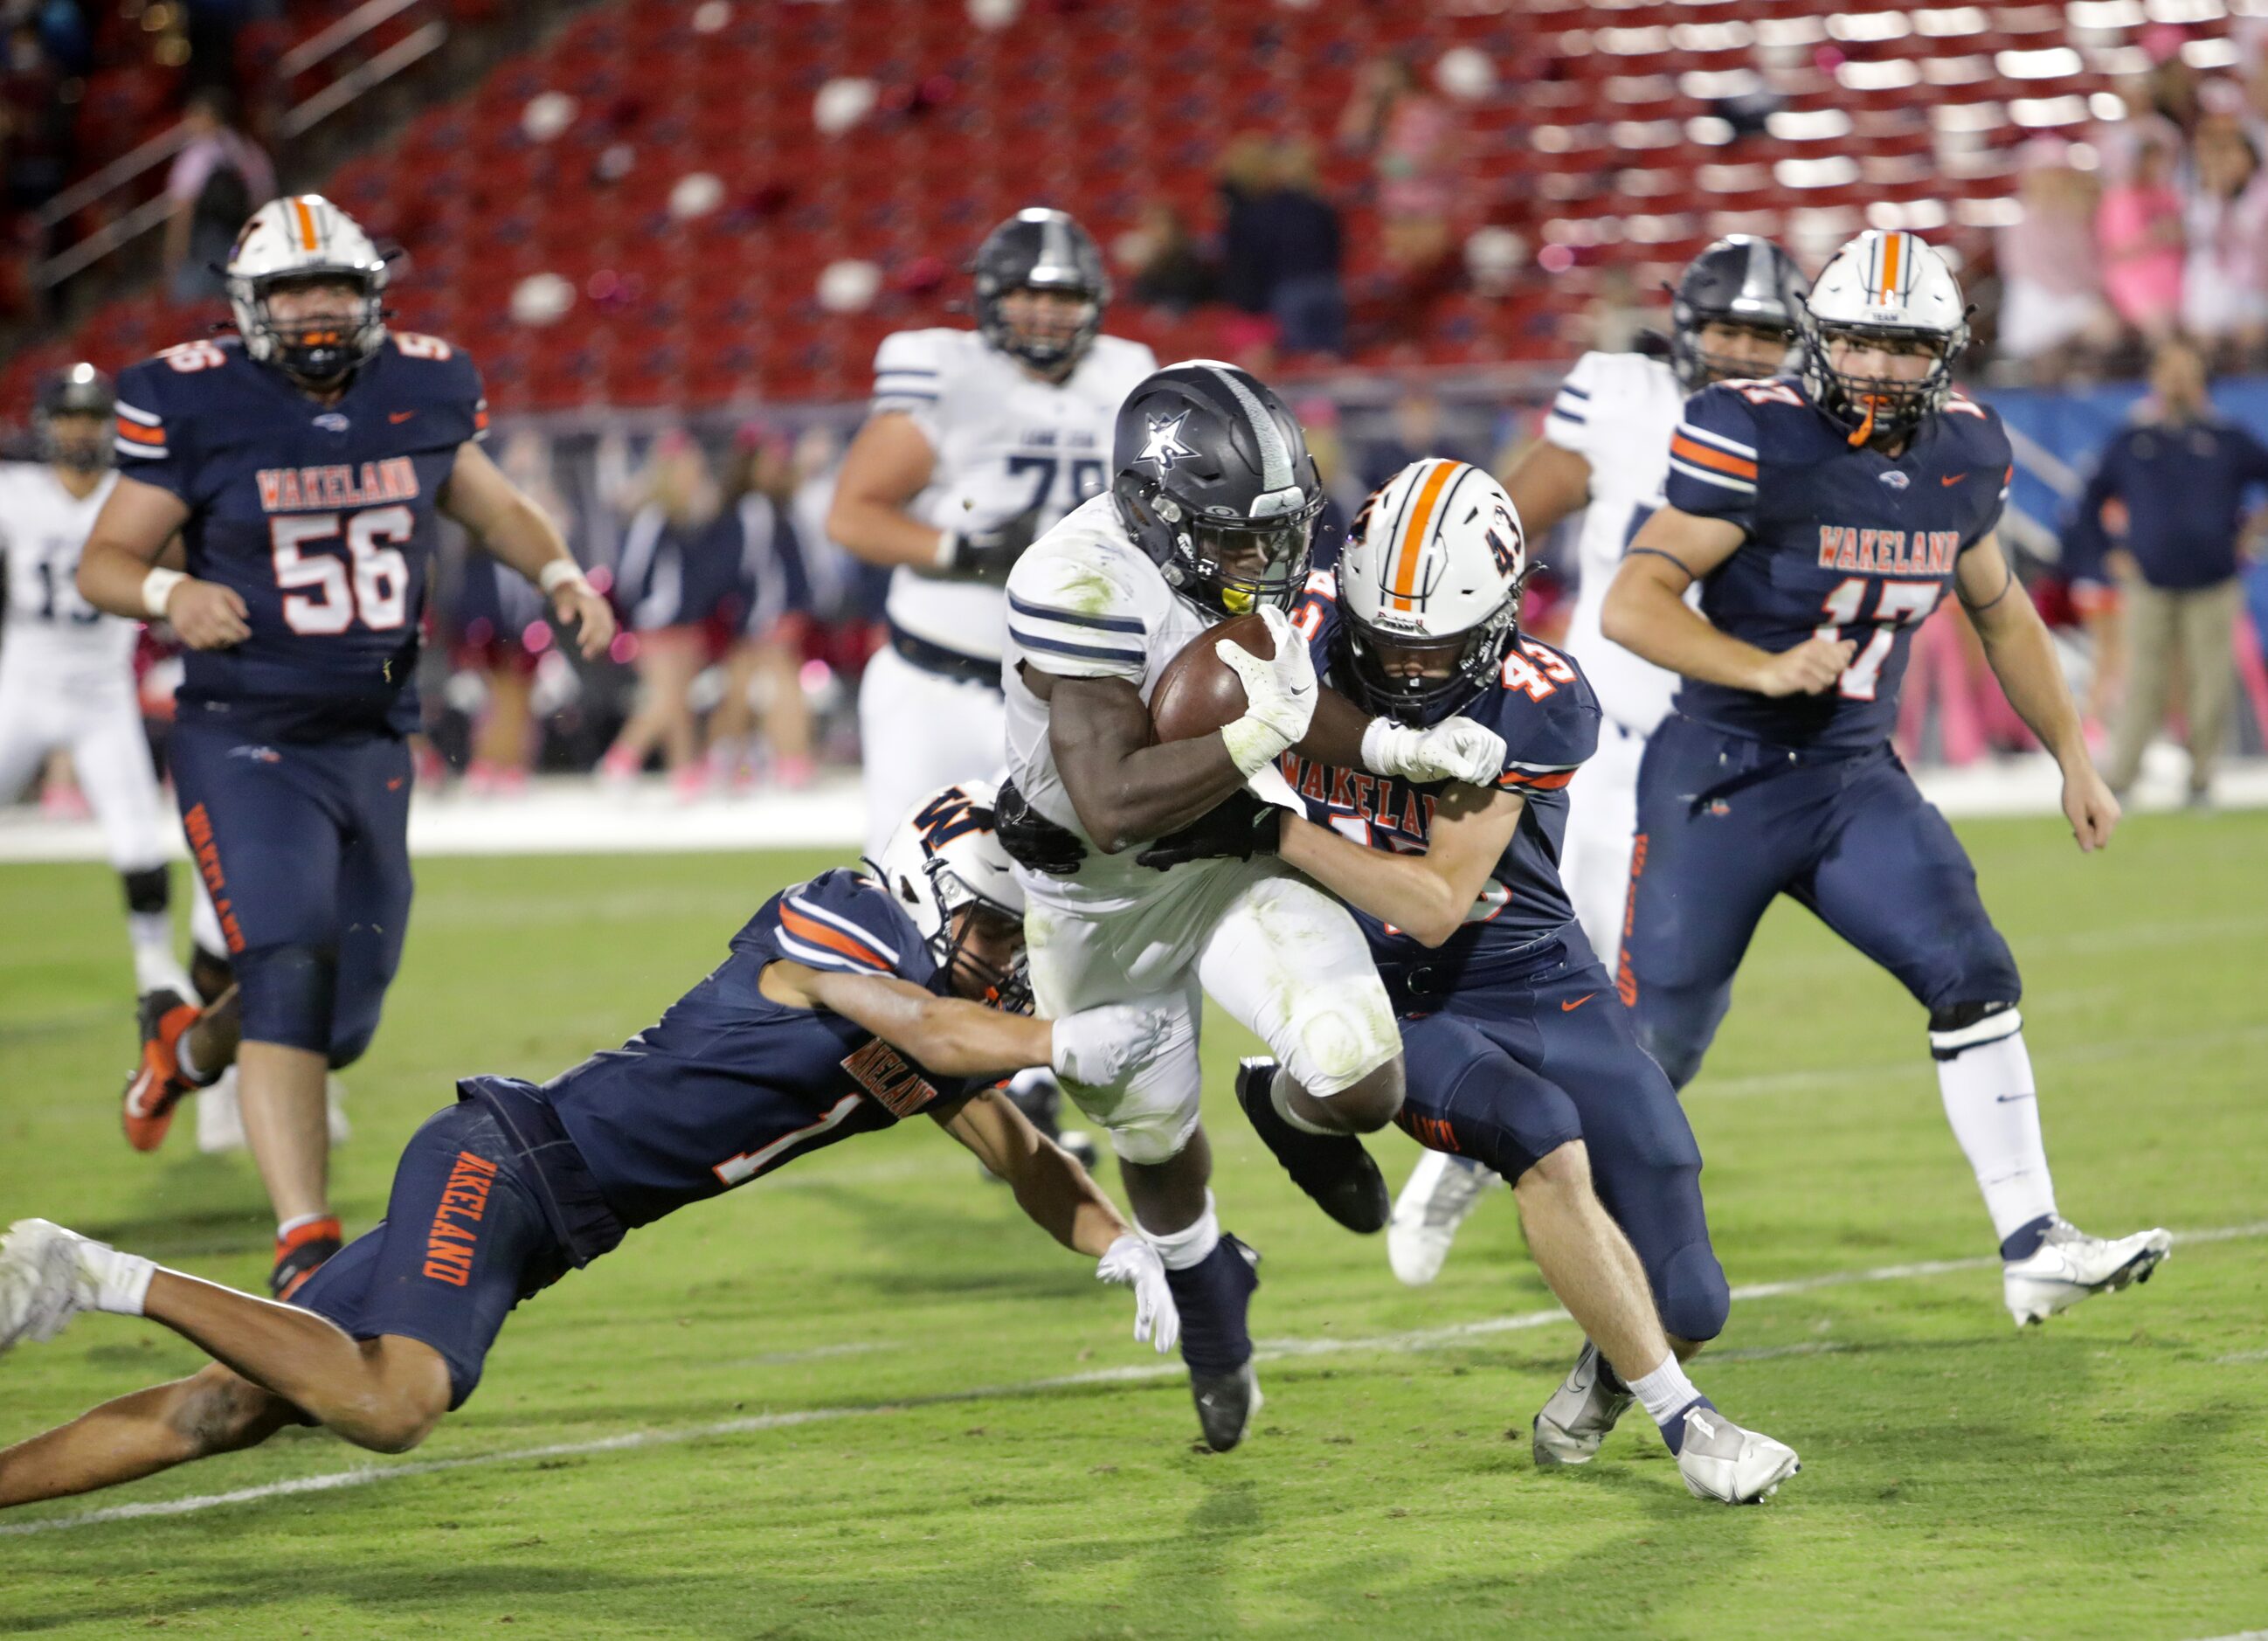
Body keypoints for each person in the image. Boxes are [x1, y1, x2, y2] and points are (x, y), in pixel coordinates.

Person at [0, 785, 1180, 1505]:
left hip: (541, 1211)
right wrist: (1064, 1032)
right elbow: (923, 1018)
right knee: (396, 1401)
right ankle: (98, 1270)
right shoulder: (845, 920)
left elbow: (1018, 1148)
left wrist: (1124, 1243)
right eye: (990, 924)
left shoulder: (928, 1020)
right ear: (928, 892)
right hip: (503, 1163)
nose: (1003, 952)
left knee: (234, 1405)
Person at [1143, 461, 1801, 1504]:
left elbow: (1439, 901)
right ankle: (1692, 1427)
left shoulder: (1540, 697)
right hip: (1383, 983)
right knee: (1535, 1129)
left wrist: (1268, 824)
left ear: (1496, 618)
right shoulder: (1296, 629)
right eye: (1385, 642)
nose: (1406, 670)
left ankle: (1614, 1368)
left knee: (1694, 1294)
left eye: (1434, 646)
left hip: (1528, 969)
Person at [1602, 229, 2170, 1326]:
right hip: (1718, 777)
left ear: (1946, 354)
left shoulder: (1965, 456)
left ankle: (2032, 1239)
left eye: (1905, 348)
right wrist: (1762, 667)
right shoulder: (1753, 436)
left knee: (1972, 966)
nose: (1878, 367)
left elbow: (2000, 614)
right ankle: (1560, 1209)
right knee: (1653, 1051)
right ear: (1819, 338)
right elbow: (1634, 604)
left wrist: (2074, 758)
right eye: (1859, 340)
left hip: (1851, 775)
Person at [77, 195, 618, 1301]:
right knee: (287, 964)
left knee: (345, 1015)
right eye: (292, 292)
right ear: (248, 305)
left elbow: (491, 503)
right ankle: (303, 1246)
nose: (316, 311)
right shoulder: (197, 400)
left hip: (372, 732)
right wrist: (171, 590)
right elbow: (106, 563)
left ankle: (182, 1047)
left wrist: (559, 573)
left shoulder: (417, 388)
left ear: (372, 296)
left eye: (334, 288)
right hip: (245, 732)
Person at [991, 359, 1509, 1449]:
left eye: (1275, 531)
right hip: (1096, 892)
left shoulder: (1228, 563)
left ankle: (1284, 1108)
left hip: (1227, 851)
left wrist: (1390, 744)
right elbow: (1112, 802)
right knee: (1154, 1132)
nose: (1261, 560)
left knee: (1362, 1077)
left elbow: (1277, 690)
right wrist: (1247, 741)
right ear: (1150, 508)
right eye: (1233, 536)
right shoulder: (1074, 580)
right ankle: (1208, 1299)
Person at [1386, 237, 1808, 1286]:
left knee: (1647, 1021)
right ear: (1685, 329)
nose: (1745, 349)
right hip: (1584, 750)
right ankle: (1480, 1150)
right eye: (1727, 328)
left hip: (1706, 764)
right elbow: (1502, 520)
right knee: (1505, 969)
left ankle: (1544, 1174)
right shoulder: (1623, 396)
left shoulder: (1813, 438)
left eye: (1765, 331)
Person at [826, 208, 1158, 861]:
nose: (1044, 311)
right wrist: (964, 550)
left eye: (1063, 295)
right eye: (1027, 292)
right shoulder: (948, 373)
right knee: (907, 873)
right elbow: (852, 515)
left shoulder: (1127, 377)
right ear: (990, 297)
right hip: (936, 677)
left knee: (1070, 884)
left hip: (1067, 691)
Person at [0, 365, 194, 1010]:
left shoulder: (133, 492)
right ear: (46, 425)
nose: (80, 430)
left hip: (102, 692)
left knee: (139, 840)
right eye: (69, 417)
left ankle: (153, 962)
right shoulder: (16, 491)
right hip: (23, 682)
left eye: (90, 417)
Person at [2071, 336, 2268, 807]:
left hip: (2214, 580)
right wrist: (2110, 553)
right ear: (2155, 378)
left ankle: (2201, 778)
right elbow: (2089, 500)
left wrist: (2252, 534)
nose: (2177, 380)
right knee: (2143, 680)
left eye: (2186, 371)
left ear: (2202, 379)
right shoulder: (2135, 438)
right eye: (2169, 370)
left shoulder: (2227, 438)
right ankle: (2123, 775)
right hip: (2150, 580)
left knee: (2210, 682)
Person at [599, 432, 741, 799]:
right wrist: (646, 610)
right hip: (656, 623)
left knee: (679, 701)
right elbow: (631, 573)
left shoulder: (693, 518)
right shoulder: (652, 515)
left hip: (687, 621)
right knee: (664, 699)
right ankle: (619, 761)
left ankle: (685, 772)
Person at [162, 88, 274, 305]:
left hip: (205, 250)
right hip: (245, 243)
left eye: (194, 115)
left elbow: (182, 211)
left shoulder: (197, 155)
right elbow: (264, 200)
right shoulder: (247, 148)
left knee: (199, 319)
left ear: (210, 117)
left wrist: (173, 259)